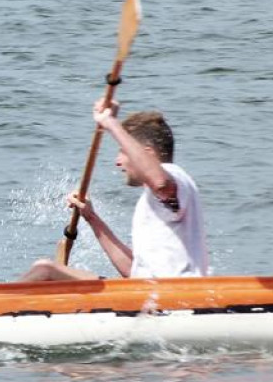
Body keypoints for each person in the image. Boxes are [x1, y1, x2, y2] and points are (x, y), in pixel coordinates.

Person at [21, 98, 208, 281]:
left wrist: (110, 123)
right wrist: (91, 218)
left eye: (122, 151)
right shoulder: (155, 203)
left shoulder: (173, 175)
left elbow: (161, 183)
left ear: (147, 153)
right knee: (46, 270)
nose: (117, 162)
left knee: (44, 270)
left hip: (171, 298)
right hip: (147, 295)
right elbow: (131, 271)